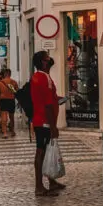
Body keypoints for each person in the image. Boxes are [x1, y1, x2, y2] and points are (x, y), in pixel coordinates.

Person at [30, 51, 64, 197]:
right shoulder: (43, 78)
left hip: (42, 119)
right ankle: (39, 186)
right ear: (43, 62)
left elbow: (49, 99)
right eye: (47, 58)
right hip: (44, 121)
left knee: (48, 151)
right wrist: (53, 126)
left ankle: (51, 181)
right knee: (41, 152)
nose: (50, 60)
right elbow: (48, 105)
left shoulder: (40, 77)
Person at [0, 68, 19, 139]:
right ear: (10, 74)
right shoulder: (14, 82)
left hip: (3, 100)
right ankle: (12, 131)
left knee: (4, 116)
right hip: (11, 100)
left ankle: (5, 133)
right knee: (11, 117)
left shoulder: (0, 83)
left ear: (4, 74)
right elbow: (16, 92)